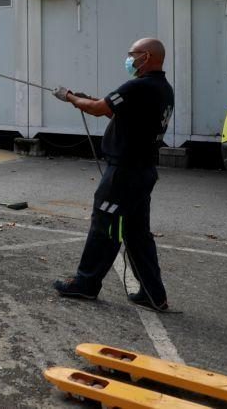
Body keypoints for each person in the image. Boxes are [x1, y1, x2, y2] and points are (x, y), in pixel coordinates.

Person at [51, 37, 175, 311]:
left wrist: (69, 97)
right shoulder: (163, 88)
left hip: (124, 173)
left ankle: (85, 284)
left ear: (147, 56)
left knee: (104, 226)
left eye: (132, 54)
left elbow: (99, 110)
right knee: (137, 234)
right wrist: (86, 100)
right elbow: (119, 113)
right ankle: (154, 294)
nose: (129, 59)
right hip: (143, 171)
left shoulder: (138, 86)